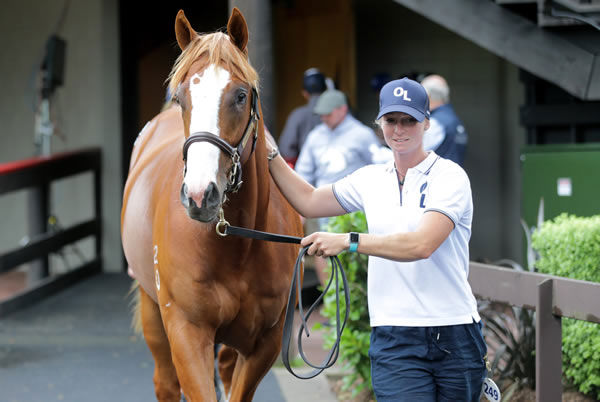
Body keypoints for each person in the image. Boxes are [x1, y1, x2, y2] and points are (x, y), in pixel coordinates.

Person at [266, 77, 487, 401]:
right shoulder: (370, 178)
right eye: (391, 120)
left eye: (409, 119)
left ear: (427, 122)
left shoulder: (449, 176)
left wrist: (349, 240)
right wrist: (269, 153)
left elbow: (421, 245)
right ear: (379, 123)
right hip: (394, 335)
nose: (399, 129)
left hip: (454, 333)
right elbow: (310, 200)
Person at [294, 88, 385, 286]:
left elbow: (379, 167)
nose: (324, 117)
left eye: (329, 113)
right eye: (322, 114)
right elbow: (303, 172)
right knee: (320, 250)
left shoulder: (361, 134)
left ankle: (353, 310)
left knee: (354, 259)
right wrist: (298, 208)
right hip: (321, 208)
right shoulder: (315, 136)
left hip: (353, 212)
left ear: (342, 109)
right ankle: (329, 304)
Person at [278, 68, 327, 166]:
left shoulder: (297, 115)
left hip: (304, 173)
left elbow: (286, 148)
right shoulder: (340, 112)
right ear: (326, 90)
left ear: (304, 93)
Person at [420, 74, 468, 166]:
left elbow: (413, 155)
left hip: (438, 179)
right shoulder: (453, 120)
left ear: (427, 96)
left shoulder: (434, 123)